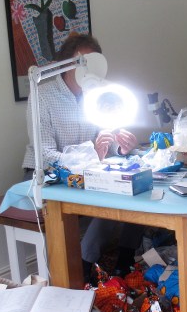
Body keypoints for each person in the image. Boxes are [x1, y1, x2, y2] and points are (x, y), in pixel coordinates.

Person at [22, 33, 140, 280]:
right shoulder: (42, 95)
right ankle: (85, 266)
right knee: (109, 198)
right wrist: (89, 156)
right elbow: (45, 154)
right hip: (46, 173)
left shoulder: (94, 95)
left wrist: (121, 147)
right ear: (67, 65)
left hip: (85, 170)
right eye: (83, 63)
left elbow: (103, 142)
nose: (89, 71)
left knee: (134, 187)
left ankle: (125, 261)